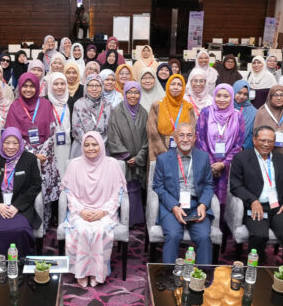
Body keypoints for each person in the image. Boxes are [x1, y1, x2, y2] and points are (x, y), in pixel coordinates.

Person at [229, 125, 283, 266]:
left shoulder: (281, 159)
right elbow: (235, 186)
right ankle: (253, 272)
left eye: (270, 141)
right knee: (259, 236)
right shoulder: (241, 158)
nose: (266, 144)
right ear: (254, 140)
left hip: (278, 207)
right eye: (262, 140)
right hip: (256, 206)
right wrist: (253, 200)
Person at [62, 132, 125, 287]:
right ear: (82, 147)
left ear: (101, 145)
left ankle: (97, 272)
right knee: (81, 229)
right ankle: (82, 271)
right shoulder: (74, 165)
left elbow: (117, 193)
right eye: (87, 145)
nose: (91, 148)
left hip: (104, 211)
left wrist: (103, 212)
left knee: (99, 230)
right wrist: (80, 211)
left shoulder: (112, 165)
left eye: (95, 144)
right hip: (80, 211)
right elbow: (69, 193)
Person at [152, 122, 214, 264]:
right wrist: (174, 207)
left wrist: (203, 204)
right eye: (181, 135)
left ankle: (203, 275)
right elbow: (158, 186)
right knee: (173, 235)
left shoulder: (203, 157)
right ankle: (169, 273)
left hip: (196, 205)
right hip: (172, 205)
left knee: (204, 236)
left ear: (195, 138)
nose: (185, 139)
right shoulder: (163, 159)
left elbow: (209, 185)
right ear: (175, 138)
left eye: (189, 135)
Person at [0, 127, 42, 258]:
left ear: (20, 143)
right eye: (7, 142)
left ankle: (20, 264)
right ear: (2, 143)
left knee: (20, 230)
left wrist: (17, 206)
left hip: (20, 208)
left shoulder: (29, 159)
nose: (11, 147)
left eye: (15, 143)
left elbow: (36, 185)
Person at [5, 72, 59, 219]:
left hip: (46, 156)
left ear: (37, 87)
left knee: (45, 191)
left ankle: (45, 223)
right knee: (28, 191)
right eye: (25, 86)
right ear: (19, 87)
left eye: (31, 86)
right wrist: (33, 155)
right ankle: (28, 222)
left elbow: (52, 130)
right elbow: (12, 135)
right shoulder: (14, 107)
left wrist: (43, 153)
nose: (28, 89)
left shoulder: (46, 104)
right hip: (23, 157)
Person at [106, 81, 149, 226]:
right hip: (122, 160)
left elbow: (147, 140)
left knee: (135, 189)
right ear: (124, 93)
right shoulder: (117, 111)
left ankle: (135, 219)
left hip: (137, 161)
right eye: (130, 92)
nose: (133, 95)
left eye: (136, 92)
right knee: (121, 189)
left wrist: (138, 157)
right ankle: (121, 220)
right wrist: (127, 156)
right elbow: (113, 136)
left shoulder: (144, 112)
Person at [195, 84, 244, 205]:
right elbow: (199, 138)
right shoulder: (206, 112)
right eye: (218, 95)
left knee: (223, 199)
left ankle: (221, 218)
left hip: (228, 166)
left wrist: (223, 164)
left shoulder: (237, 116)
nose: (221, 99)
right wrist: (211, 163)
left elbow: (239, 143)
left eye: (226, 96)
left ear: (231, 97)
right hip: (206, 164)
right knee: (205, 197)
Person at [147, 75, 195, 161]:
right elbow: (152, 132)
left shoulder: (188, 107)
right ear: (168, 86)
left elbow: (192, 131)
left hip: (183, 153)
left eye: (179, 85)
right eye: (173, 84)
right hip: (159, 153)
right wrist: (165, 154)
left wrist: (181, 152)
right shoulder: (157, 105)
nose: (176, 87)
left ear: (183, 88)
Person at [252, 85, 283, 158]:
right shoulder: (262, 112)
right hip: (264, 155)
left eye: (282, 95)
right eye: (275, 95)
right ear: (270, 97)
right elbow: (256, 135)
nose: (279, 98)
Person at [72, 73, 112, 157]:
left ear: (102, 87)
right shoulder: (79, 104)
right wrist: (88, 144)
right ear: (86, 86)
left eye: (97, 85)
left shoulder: (107, 104)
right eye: (91, 85)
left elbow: (110, 128)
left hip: (103, 146)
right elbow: (76, 128)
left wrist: (99, 144)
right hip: (82, 146)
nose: (94, 88)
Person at [44, 72, 72, 189]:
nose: (59, 87)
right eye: (56, 84)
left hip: (67, 144)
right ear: (50, 85)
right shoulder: (45, 102)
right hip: (50, 145)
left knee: (66, 170)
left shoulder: (71, 101)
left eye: (62, 83)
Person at [231, 79, 258, 150]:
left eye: (245, 94)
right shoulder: (226, 107)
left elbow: (252, 133)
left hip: (242, 150)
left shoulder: (253, 111)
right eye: (239, 93)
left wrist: (243, 147)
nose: (242, 96)